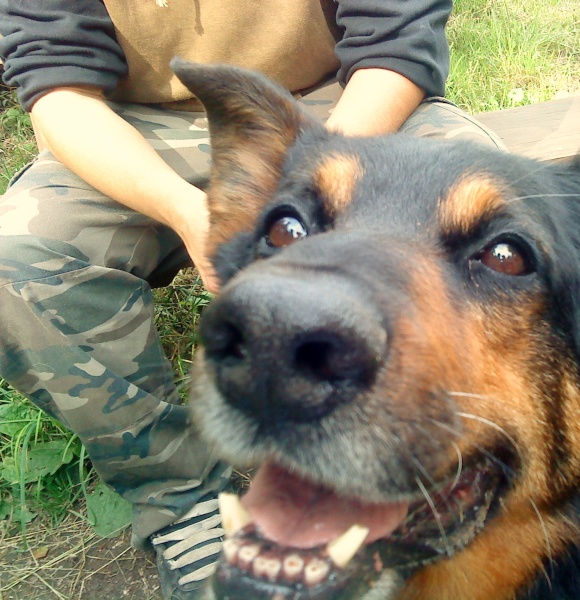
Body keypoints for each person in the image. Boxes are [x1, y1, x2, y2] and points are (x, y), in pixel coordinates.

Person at [0, 1, 502, 597]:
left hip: (334, 104)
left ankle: (459, 474)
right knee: (17, 262)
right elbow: (59, 89)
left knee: (505, 220)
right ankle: (180, 498)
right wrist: (188, 211)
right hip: (130, 128)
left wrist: (305, 202)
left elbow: (394, 46)